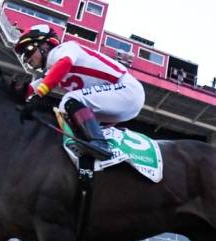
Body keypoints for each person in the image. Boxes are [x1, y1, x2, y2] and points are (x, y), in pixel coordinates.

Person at [14, 24, 146, 160]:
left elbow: (63, 64)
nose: (26, 59)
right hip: (119, 103)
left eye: (28, 50)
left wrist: (38, 95)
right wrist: (18, 90)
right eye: (24, 55)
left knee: (68, 100)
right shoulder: (51, 70)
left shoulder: (65, 49)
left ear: (45, 46)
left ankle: (100, 144)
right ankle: (88, 159)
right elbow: (33, 88)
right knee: (67, 112)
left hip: (127, 90)